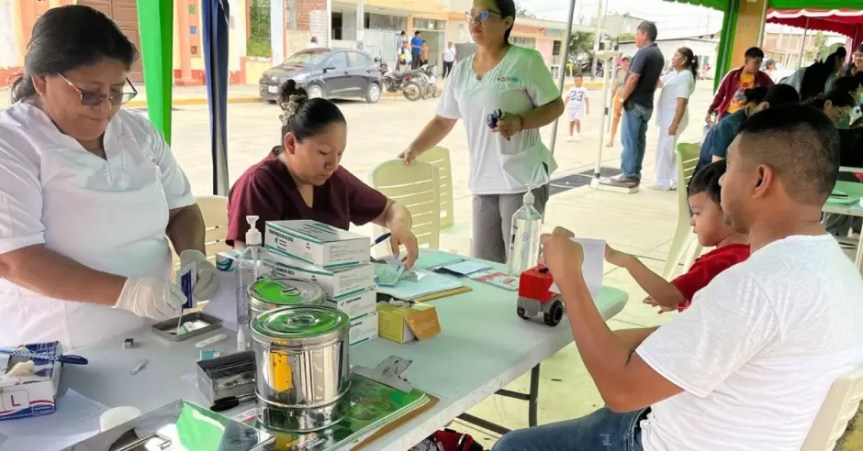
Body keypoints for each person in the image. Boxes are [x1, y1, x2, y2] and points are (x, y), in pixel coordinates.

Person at [495, 104, 863, 451]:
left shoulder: (756, 285)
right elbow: (745, 345)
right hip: (724, 429)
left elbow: (620, 390)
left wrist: (568, 274)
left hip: (662, 440)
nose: (720, 181)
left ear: (760, 180)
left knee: (513, 446)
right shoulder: (837, 270)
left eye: (729, 166)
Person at [0, 5, 217, 350]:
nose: (104, 108)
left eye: (117, 91)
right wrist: (126, 292)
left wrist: (193, 254)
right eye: (89, 93)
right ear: (41, 80)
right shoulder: (12, 144)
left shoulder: (137, 133)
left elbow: (181, 208)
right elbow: (15, 261)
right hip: (60, 352)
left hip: (153, 335)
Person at [399, 0, 564, 263]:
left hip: (522, 180)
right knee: (485, 264)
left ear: (507, 22)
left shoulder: (525, 61)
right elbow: (443, 120)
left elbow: (555, 106)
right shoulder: (462, 70)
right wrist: (414, 148)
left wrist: (521, 121)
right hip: (483, 181)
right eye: (472, 15)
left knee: (519, 264)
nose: (475, 21)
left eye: (484, 15)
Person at [227, 81, 420, 267]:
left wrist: (400, 227)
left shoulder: (335, 179)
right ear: (292, 143)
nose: (333, 164)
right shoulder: (258, 184)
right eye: (324, 153)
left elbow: (392, 210)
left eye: (339, 154)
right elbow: (248, 264)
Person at [606, 161, 749, 313]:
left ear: (729, 208)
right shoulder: (755, 250)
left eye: (697, 212)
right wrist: (680, 303)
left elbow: (668, 295)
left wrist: (628, 261)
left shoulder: (720, 261)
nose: (692, 221)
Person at [602, 21, 664, 189]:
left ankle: (629, 174)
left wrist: (621, 100)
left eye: (637, 34)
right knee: (639, 140)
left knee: (629, 139)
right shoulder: (658, 54)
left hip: (635, 103)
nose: (636, 38)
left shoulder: (643, 53)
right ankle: (635, 173)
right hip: (647, 103)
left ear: (644, 34)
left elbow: (633, 78)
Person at [697, 84, 799, 171]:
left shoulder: (753, 123)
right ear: (764, 107)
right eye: (776, 123)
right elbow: (716, 172)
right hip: (708, 185)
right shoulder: (729, 126)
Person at [651, 47, 697, 190]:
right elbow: (658, 83)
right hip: (667, 118)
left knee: (665, 150)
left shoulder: (685, 76)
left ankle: (662, 182)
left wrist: (674, 124)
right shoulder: (675, 74)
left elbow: (682, 102)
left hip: (673, 119)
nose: (672, 58)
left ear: (683, 60)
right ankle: (677, 180)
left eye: (676, 56)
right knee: (666, 149)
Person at [706, 47, 773, 123]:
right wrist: (710, 110)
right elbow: (720, 94)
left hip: (746, 116)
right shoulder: (732, 75)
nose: (758, 66)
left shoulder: (762, 78)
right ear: (747, 61)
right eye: (756, 62)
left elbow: (774, 91)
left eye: (760, 62)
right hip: (728, 114)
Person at [607, 56, 630, 147]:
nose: (625, 63)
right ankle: (611, 140)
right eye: (624, 61)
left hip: (627, 98)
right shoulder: (619, 72)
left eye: (627, 62)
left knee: (627, 119)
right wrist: (612, 95)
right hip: (618, 96)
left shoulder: (631, 73)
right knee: (615, 117)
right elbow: (616, 85)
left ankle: (626, 141)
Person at [563, 74, 589, 142]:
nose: (576, 81)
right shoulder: (571, 89)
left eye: (578, 80)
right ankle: (570, 136)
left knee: (577, 120)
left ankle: (578, 134)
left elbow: (586, 99)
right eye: (575, 80)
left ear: (581, 80)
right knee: (571, 122)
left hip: (579, 108)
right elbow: (567, 97)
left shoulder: (584, 90)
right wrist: (564, 105)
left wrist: (587, 109)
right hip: (571, 108)